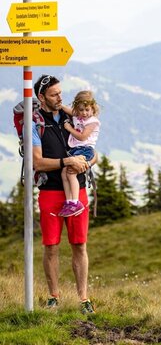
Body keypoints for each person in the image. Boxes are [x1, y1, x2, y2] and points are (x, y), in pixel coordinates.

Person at [33, 74, 95, 314]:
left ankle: (83, 299)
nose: (59, 97)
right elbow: (37, 162)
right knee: (51, 246)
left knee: (79, 244)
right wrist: (66, 161)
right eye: (53, 94)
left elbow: (92, 149)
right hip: (50, 190)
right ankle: (53, 296)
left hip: (77, 187)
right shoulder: (35, 122)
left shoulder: (73, 116)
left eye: (60, 93)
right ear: (41, 98)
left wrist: (88, 163)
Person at [59, 91, 100, 217]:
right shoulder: (78, 115)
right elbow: (68, 110)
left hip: (85, 149)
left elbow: (82, 137)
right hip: (76, 150)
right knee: (64, 173)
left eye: (87, 110)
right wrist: (59, 105)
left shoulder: (92, 122)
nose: (84, 113)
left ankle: (75, 203)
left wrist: (69, 128)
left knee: (71, 173)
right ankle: (69, 201)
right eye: (81, 110)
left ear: (92, 108)